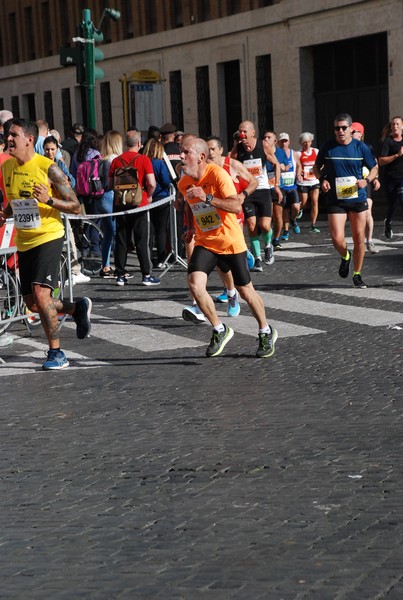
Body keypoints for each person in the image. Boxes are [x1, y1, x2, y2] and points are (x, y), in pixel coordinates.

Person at [0, 118, 92, 370]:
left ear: (29, 140)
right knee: (32, 304)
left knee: (42, 295)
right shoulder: (7, 168)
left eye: (13, 135)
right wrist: (4, 214)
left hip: (49, 236)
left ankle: (57, 353)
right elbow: (14, 203)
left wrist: (49, 200)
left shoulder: (48, 167)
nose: (8, 138)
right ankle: (76, 308)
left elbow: (75, 205)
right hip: (24, 240)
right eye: (8, 134)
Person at [178, 137, 278, 358]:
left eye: (186, 152)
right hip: (206, 242)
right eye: (180, 152)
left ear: (201, 157)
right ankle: (219, 329)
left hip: (230, 242)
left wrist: (208, 197)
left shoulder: (218, 175)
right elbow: (189, 204)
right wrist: (191, 228)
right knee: (195, 284)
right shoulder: (184, 182)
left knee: (245, 291)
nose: (181, 156)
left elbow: (236, 205)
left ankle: (265, 330)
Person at [313, 112, 378, 289]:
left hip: (357, 197)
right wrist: (322, 180)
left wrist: (367, 180)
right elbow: (316, 168)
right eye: (337, 128)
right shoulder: (328, 146)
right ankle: (345, 256)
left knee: (358, 238)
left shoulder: (360, 147)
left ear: (351, 129)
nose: (340, 131)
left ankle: (357, 274)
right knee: (336, 238)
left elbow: (374, 168)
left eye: (343, 128)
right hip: (336, 198)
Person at [206, 135, 258, 316]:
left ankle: (243, 259)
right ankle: (230, 292)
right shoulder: (203, 168)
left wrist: (243, 195)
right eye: (207, 149)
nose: (210, 152)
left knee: (231, 255)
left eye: (213, 149)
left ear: (220, 150)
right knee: (221, 262)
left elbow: (254, 181)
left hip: (233, 215)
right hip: (213, 217)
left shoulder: (232, 165)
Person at [108, 129, 160, 286]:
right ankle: (146, 275)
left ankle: (120, 275)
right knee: (141, 240)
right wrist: (149, 196)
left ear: (125, 143)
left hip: (120, 204)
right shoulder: (144, 160)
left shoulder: (116, 161)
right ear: (139, 143)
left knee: (122, 239)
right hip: (139, 204)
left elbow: (110, 185)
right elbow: (151, 183)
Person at [231, 120, 282, 272]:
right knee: (252, 226)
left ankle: (268, 245)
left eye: (245, 131)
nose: (242, 134)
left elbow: (276, 164)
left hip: (263, 189)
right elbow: (230, 164)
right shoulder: (238, 148)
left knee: (265, 225)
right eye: (240, 131)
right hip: (247, 192)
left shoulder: (263, 145)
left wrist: (276, 185)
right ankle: (258, 258)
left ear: (253, 133)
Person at [43, 135, 90, 286]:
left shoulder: (59, 164)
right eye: (47, 149)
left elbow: (71, 180)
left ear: (57, 149)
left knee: (69, 238)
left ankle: (75, 270)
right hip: (48, 208)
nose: (50, 152)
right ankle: (55, 273)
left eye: (52, 149)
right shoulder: (42, 164)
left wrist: (66, 180)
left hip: (62, 205)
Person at [351, 122, 381, 253]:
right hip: (351, 184)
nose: (352, 133)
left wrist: (375, 178)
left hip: (365, 182)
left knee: (368, 211)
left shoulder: (366, 147)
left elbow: (374, 165)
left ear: (361, 134)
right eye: (351, 131)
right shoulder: (345, 147)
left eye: (355, 131)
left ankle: (369, 240)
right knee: (355, 214)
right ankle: (359, 240)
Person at [142, 138, 172, 268]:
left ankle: (148, 258)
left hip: (147, 198)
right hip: (161, 198)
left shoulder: (144, 162)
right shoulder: (159, 164)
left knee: (150, 230)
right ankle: (161, 258)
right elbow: (166, 181)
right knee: (161, 230)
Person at [98, 130, 123, 278]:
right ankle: (120, 268)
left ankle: (105, 265)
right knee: (117, 233)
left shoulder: (103, 159)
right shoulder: (115, 159)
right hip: (111, 197)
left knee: (108, 233)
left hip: (102, 198)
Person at [378, 115, 403, 240]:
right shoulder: (388, 141)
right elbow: (381, 161)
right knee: (392, 204)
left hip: (402, 178)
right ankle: (388, 222)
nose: (395, 126)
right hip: (390, 178)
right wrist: (397, 155)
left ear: (402, 126)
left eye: (398, 124)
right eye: (393, 124)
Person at [263, 130, 287, 250]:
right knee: (269, 216)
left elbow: (286, 165)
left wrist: (283, 167)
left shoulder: (280, 152)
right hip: (265, 187)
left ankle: (276, 239)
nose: (266, 139)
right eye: (265, 137)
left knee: (278, 217)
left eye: (269, 137)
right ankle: (268, 239)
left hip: (278, 187)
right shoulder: (261, 152)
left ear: (275, 141)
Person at [277, 132, 301, 240]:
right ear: (278, 142)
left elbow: (299, 165)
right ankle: (286, 231)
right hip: (282, 187)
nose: (284, 143)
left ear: (289, 142)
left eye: (285, 141)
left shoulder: (293, 153)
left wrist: (299, 174)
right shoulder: (276, 154)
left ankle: (293, 219)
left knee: (296, 206)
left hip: (292, 186)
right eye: (282, 141)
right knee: (285, 209)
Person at [295, 132, 321, 233]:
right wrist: (298, 173)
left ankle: (313, 225)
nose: (307, 144)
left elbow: (320, 164)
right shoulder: (298, 154)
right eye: (304, 142)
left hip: (314, 180)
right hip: (304, 182)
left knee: (315, 201)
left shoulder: (316, 151)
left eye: (309, 142)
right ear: (301, 143)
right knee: (305, 202)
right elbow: (297, 166)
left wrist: (320, 171)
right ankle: (299, 209)